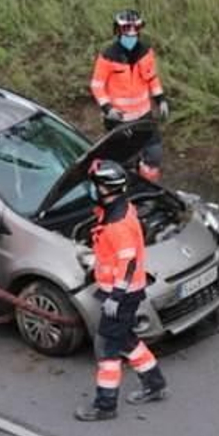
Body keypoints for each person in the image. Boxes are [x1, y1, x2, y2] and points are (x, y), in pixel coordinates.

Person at [75, 159, 169, 422]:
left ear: (105, 188)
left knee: (106, 347)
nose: (92, 189)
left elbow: (127, 263)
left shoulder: (117, 224)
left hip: (122, 295)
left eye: (95, 185)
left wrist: (116, 296)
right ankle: (154, 383)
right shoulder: (122, 208)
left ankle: (105, 405)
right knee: (126, 339)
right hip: (126, 292)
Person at [90, 9, 168, 182]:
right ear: (118, 30)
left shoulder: (146, 52)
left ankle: (147, 189)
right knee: (123, 162)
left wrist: (161, 100)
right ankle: (123, 193)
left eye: (135, 28)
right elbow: (97, 85)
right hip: (118, 120)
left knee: (154, 156)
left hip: (144, 116)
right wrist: (107, 108)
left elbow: (152, 78)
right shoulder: (108, 56)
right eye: (127, 28)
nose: (131, 33)